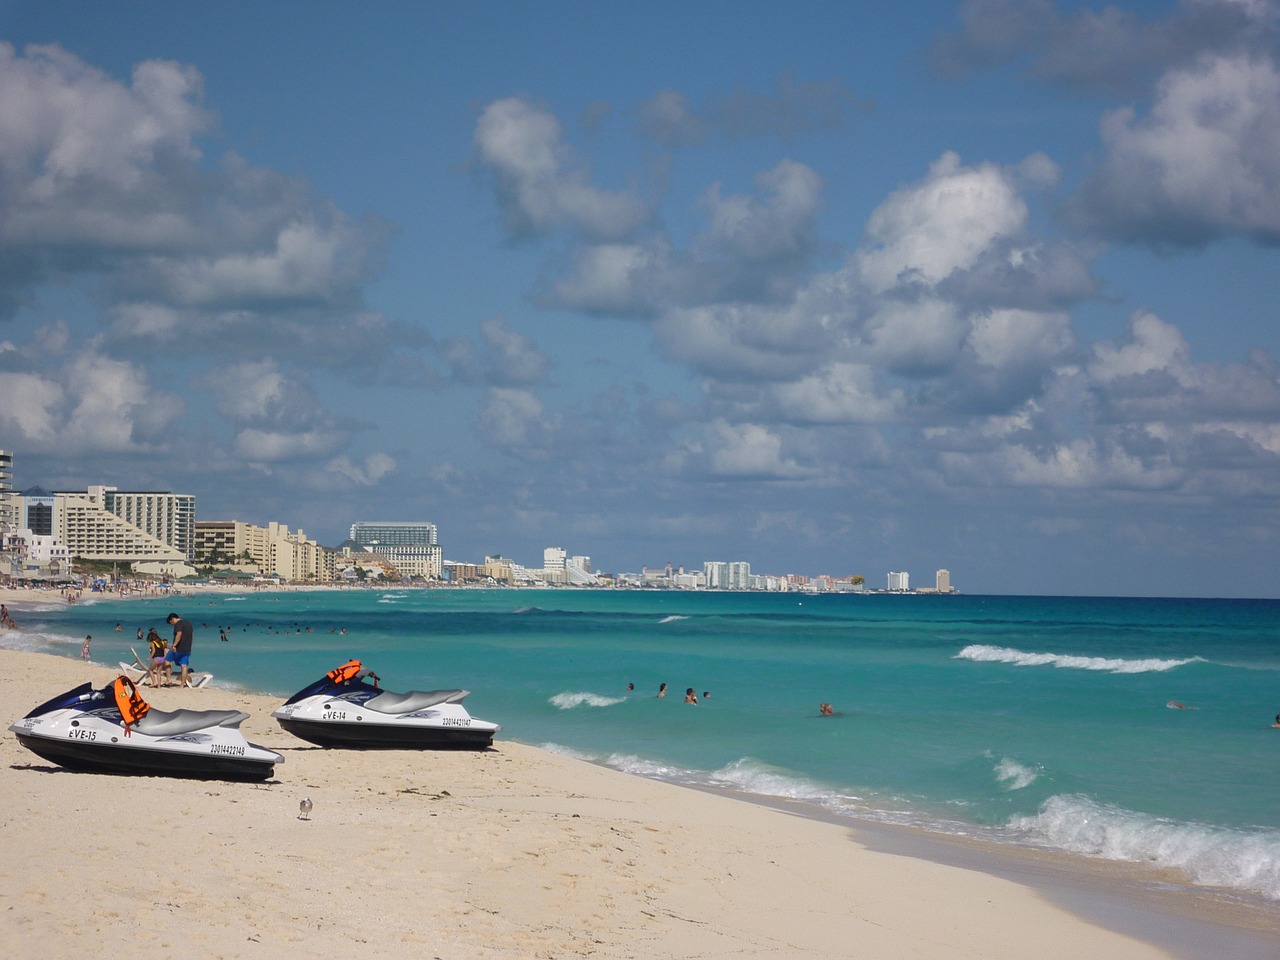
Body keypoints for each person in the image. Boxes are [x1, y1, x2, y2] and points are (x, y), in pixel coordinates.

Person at [166, 612, 195, 688]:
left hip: (178, 648)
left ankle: (168, 679)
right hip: (187, 649)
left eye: (171, 623)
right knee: (184, 666)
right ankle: (182, 685)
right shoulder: (189, 624)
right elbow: (192, 636)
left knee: (167, 661)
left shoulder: (178, 624)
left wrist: (174, 645)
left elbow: (179, 634)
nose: (172, 624)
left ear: (173, 619)